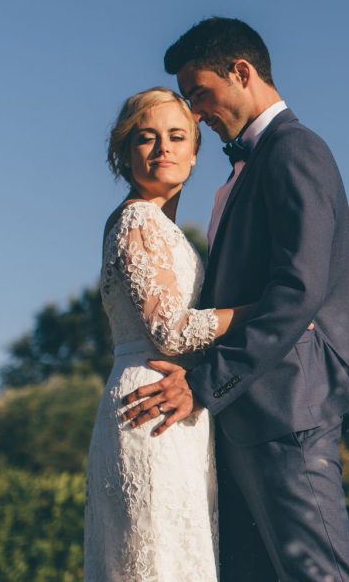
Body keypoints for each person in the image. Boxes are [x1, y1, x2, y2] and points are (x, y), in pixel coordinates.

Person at [121, 17, 349, 581]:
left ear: (241, 72)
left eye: (200, 94)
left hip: (286, 408)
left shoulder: (294, 150)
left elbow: (298, 289)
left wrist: (207, 382)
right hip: (243, 414)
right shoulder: (250, 165)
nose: (196, 112)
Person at [86, 87, 254, 580]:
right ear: (125, 153)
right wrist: (264, 311)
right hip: (150, 404)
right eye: (147, 138)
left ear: (195, 153)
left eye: (177, 136)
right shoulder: (139, 219)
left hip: (167, 401)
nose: (163, 148)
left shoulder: (162, 226)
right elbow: (172, 331)